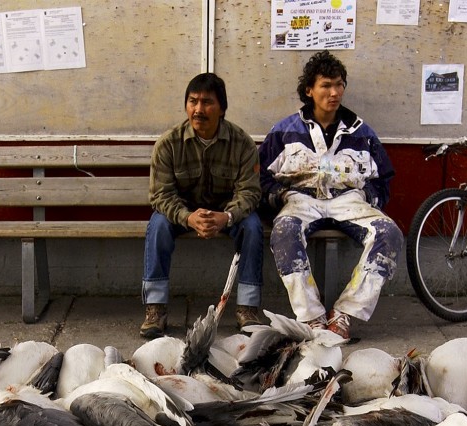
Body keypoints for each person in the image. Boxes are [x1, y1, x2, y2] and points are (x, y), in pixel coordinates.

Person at [259, 51, 403, 339]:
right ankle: (311, 317)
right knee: (284, 230)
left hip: (349, 201)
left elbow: (382, 179)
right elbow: (263, 178)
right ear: (309, 90)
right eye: (326, 85)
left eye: (339, 85)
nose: (334, 92)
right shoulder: (285, 131)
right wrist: (280, 197)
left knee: (389, 233)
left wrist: (367, 198)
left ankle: (345, 313)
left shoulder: (362, 133)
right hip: (300, 199)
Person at [141, 73, 263, 339]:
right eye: (192, 101)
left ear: (222, 108)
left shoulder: (242, 144)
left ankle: (248, 309)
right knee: (158, 224)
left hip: (226, 213)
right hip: (182, 213)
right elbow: (160, 196)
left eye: (207, 102)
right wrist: (187, 217)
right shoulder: (169, 144)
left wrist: (226, 217)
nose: (198, 109)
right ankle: (155, 309)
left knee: (252, 226)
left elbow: (250, 193)